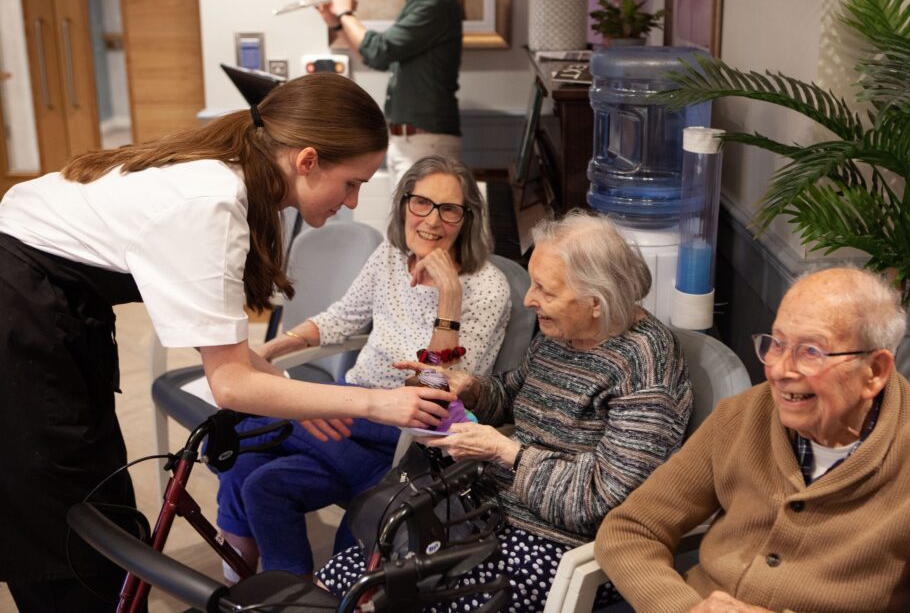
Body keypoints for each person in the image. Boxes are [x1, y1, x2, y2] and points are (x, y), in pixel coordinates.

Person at [0, 73, 456, 613]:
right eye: (352, 182)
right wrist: (377, 402)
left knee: (98, 497)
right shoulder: (214, 205)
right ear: (307, 160)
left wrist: (287, 387)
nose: (354, 203)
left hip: (48, 301)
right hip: (22, 312)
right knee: (65, 527)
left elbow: (224, 349)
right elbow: (230, 383)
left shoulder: (222, 172)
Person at [316, 210, 694, 612]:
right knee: (345, 576)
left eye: (545, 291)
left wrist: (505, 452)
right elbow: (515, 393)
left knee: (397, 597)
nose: (530, 300)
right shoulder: (564, 333)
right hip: (485, 511)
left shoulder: (645, 369)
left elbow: (602, 500)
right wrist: (470, 388)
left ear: (596, 301)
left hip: (556, 544)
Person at [595, 267, 910, 613]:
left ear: (875, 370)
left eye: (810, 351)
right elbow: (631, 529)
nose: (779, 370)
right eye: (776, 344)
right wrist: (685, 608)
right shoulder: (742, 417)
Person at [214, 155, 511, 577]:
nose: (432, 219)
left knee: (240, 425)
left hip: (404, 431)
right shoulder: (391, 255)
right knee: (258, 480)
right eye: (421, 203)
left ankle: (366, 483)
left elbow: (440, 393)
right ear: (404, 203)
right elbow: (344, 316)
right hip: (354, 417)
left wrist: (449, 296)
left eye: (450, 209)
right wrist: (278, 346)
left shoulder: (485, 288)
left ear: (467, 219)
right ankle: (292, 600)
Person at [318, 0, 463, 186]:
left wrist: (346, 12)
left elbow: (379, 51)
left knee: (419, 225)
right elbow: (373, 58)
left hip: (427, 142)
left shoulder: (436, 3)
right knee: (402, 224)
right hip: (405, 141)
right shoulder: (416, 1)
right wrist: (338, 24)